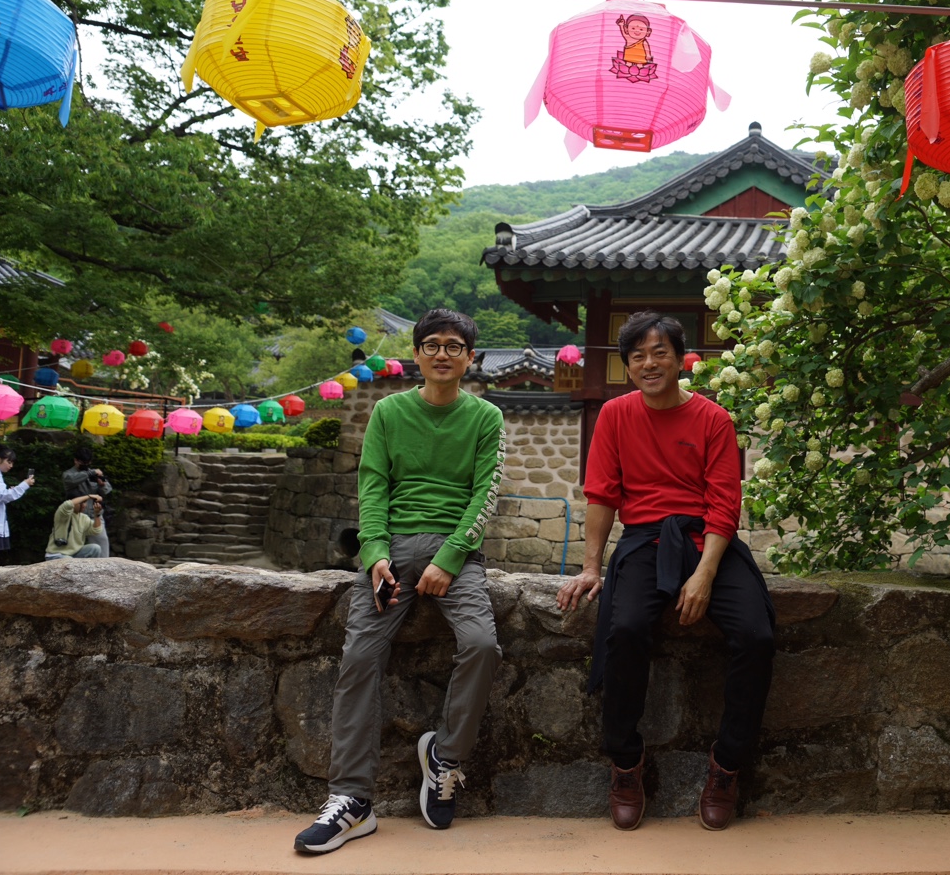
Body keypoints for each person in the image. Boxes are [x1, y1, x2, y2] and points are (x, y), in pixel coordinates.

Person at [294, 309, 507, 855]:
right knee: (360, 656)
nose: (442, 354)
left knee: (482, 644)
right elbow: (373, 486)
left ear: (470, 358)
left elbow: (486, 495)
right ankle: (352, 800)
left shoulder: (486, 417)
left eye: (454, 346)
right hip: (391, 553)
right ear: (416, 354)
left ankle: (445, 757)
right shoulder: (388, 411)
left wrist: (450, 558)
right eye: (432, 344)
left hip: (455, 556)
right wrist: (374, 554)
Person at [557, 311, 776, 832]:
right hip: (645, 540)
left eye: (660, 353)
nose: (649, 364)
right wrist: (591, 567)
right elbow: (602, 495)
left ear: (681, 360)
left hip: (707, 540)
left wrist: (704, 575)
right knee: (627, 629)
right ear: (628, 366)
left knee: (757, 634)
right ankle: (625, 762)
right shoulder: (614, 415)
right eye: (637, 356)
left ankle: (726, 766)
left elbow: (724, 504)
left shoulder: (714, 419)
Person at [63, 447, 112, 558]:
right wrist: (90, 473)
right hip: (75, 516)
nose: (85, 465)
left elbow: (107, 491)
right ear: (76, 460)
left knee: (102, 543)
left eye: (88, 462)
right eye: (83, 462)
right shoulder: (68, 474)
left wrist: (102, 484)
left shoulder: (95, 473)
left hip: (94, 515)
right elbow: (71, 480)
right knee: (72, 548)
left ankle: (104, 567)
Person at [45, 495, 106, 560]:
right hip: (57, 554)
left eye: (85, 502)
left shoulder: (84, 518)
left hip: (74, 554)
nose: (84, 505)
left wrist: (97, 514)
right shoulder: (63, 514)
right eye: (81, 503)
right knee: (69, 560)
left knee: (95, 548)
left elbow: (96, 531)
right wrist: (89, 496)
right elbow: (67, 504)